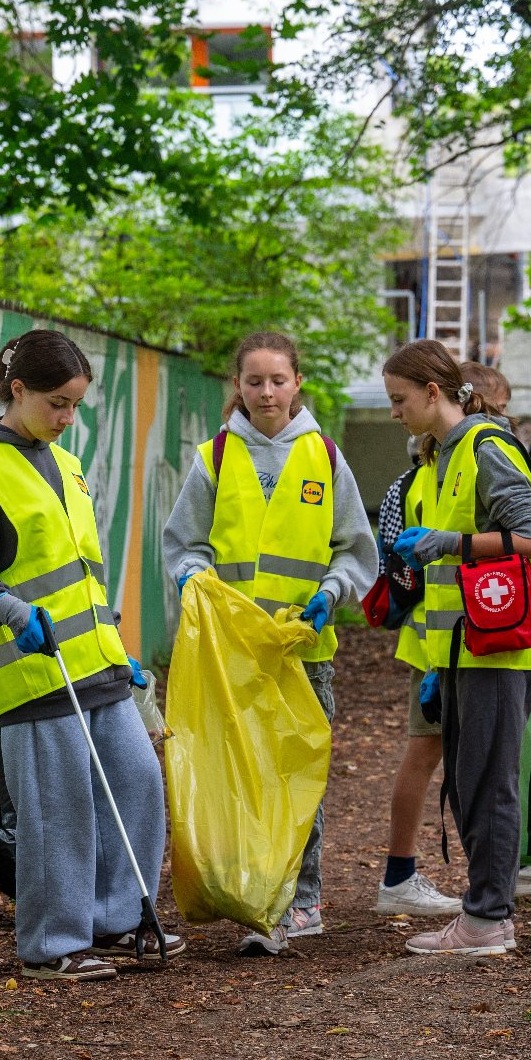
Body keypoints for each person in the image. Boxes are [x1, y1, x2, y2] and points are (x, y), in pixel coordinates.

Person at [0, 329, 182, 981]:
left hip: (95, 665)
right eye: (57, 403)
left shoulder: (62, 462)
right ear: (17, 390)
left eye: (75, 405)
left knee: (136, 781)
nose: (68, 418)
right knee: (58, 809)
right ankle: (52, 943)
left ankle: (119, 919)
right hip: (33, 674)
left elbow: (79, 575)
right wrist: (14, 613)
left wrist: (119, 650)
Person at [162, 331, 377, 954]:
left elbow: (354, 548)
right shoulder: (216, 458)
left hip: (302, 652)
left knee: (296, 776)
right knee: (239, 774)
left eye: (277, 380)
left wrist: (332, 593)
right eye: (254, 381)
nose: (266, 392)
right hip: (231, 658)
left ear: (297, 383)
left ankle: (298, 900)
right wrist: (192, 577)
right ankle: (256, 896)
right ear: (238, 387)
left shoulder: (325, 457)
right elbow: (184, 544)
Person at [383, 339, 531, 956]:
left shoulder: (485, 449)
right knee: (472, 781)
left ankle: (487, 918)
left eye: (400, 400)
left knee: (488, 782)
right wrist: (431, 660)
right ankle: (484, 914)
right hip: (458, 651)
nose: (395, 412)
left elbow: (530, 540)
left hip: (497, 648)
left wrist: (450, 542)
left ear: (433, 393)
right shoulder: (438, 459)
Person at [368, 361, 511, 923]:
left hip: (454, 636)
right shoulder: (429, 475)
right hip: (441, 640)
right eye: (491, 407)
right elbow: (418, 562)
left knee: (458, 758)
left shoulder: (447, 465)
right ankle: (401, 875)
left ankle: (474, 876)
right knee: (430, 752)